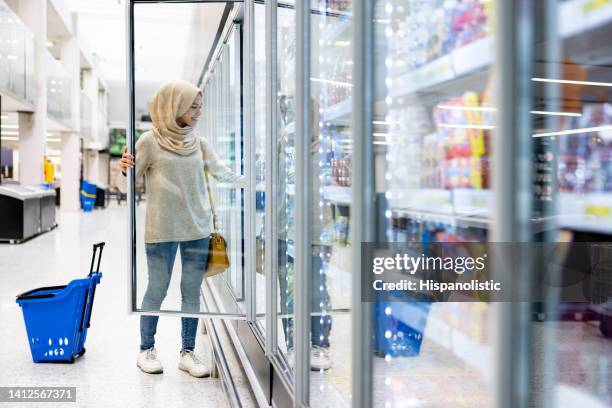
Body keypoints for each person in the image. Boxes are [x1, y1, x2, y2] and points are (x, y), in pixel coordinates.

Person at [119, 80, 244, 377]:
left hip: (197, 229)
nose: (199, 111)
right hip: (161, 229)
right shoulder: (149, 141)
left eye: (200, 105)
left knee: (191, 290)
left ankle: (187, 352)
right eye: (194, 106)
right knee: (157, 289)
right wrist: (124, 169)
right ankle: (146, 349)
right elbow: (131, 181)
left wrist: (256, 180)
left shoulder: (199, 142)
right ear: (175, 105)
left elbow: (222, 174)